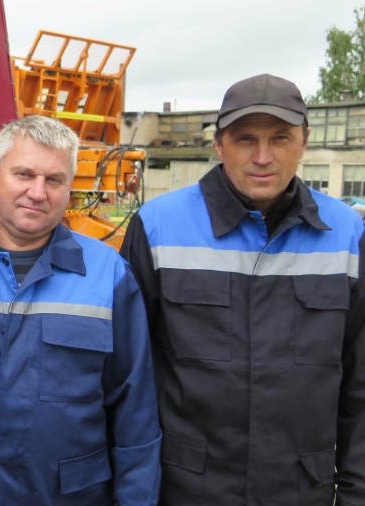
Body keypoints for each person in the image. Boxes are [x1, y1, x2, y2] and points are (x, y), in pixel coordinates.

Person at [120, 74, 365, 504]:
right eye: (245, 139)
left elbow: (360, 384)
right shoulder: (158, 226)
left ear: (304, 142)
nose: (263, 157)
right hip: (186, 491)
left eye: (280, 138)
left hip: (299, 492)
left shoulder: (347, 233)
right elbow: (126, 378)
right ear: (219, 145)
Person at [0, 115, 161, 505]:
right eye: (23, 174)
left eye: (54, 180)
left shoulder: (108, 275)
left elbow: (136, 413)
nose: (37, 192)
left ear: (69, 186)